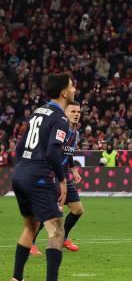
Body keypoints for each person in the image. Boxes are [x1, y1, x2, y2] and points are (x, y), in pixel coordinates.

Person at [9, 72, 76, 281]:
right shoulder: (60, 118)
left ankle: (17, 279)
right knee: (56, 230)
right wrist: (62, 179)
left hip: (20, 173)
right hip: (39, 177)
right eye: (72, 86)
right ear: (64, 92)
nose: (74, 89)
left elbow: (19, 147)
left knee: (31, 226)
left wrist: (24, 166)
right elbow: (51, 151)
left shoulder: (38, 111)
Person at [30, 102, 84, 256]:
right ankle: (31, 243)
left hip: (65, 176)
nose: (76, 114)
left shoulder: (76, 132)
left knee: (78, 210)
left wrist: (73, 170)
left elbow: (69, 152)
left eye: (78, 111)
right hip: (52, 176)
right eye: (72, 111)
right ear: (65, 113)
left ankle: (64, 239)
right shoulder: (59, 129)